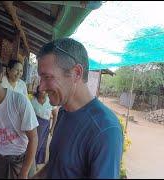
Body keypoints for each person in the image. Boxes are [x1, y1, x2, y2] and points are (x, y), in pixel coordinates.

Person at [33, 38, 123, 178]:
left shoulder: (105, 130)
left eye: (47, 77)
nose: (41, 87)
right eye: (41, 78)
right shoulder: (63, 111)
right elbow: (56, 164)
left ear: (76, 73)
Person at [31, 85, 57, 167]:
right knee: (35, 144)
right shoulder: (33, 101)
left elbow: (55, 115)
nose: (43, 93)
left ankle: (36, 162)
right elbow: (30, 115)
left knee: (42, 145)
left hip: (45, 126)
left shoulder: (50, 101)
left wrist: (52, 128)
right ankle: (32, 163)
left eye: (44, 91)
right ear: (37, 92)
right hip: (35, 126)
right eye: (40, 91)